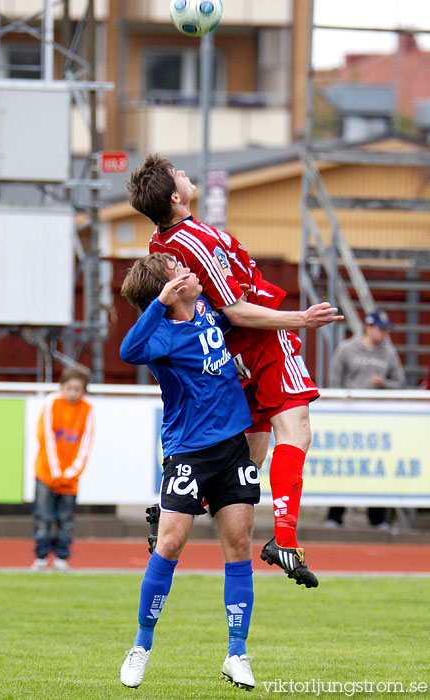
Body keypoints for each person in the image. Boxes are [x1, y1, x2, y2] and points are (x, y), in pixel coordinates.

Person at [127, 154, 343, 588]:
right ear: (174, 196)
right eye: (179, 175)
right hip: (258, 337)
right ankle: (284, 539)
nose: (187, 174)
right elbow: (235, 310)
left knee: (250, 455)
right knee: (296, 429)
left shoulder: (160, 241)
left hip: (226, 350)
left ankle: (178, 506)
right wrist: (301, 319)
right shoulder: (195, 239)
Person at [119, 253, 260, 689]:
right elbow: (129, 351)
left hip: (234, 447)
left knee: (239, 545)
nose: (191, 272)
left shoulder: (210, 311)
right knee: (171, 543)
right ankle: (141, 645)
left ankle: (237, 653)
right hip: (188, 453)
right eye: (180, 271)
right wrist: (159, 302)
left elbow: (246, 312)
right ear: (171, 288)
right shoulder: (161, 335)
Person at [326, 309, 405, 529]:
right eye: (380, 329)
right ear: (368, 327)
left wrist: (384, 384)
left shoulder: (388, 353)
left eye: (386, 330)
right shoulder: (346, 348)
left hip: (376, 419)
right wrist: (341, 405)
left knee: (377, 466)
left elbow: (400, 382)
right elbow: (334, 382)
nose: (384, 334)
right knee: (343, 465)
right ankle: (335, 514)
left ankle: (378, 517)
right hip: (349, 417)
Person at [31, 365, 95, 571]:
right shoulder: (51, 403)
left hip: (70, 479)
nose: (73, 393)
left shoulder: (88, 408)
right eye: (70, 388)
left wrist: (71, 472)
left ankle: (61, 558)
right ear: (62, 386)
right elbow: (46, 437)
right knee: (43, 516)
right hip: (46, 474)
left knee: (66, 519)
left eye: (78, 389)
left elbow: (86, 442)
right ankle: (40, 558)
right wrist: (56, 470)